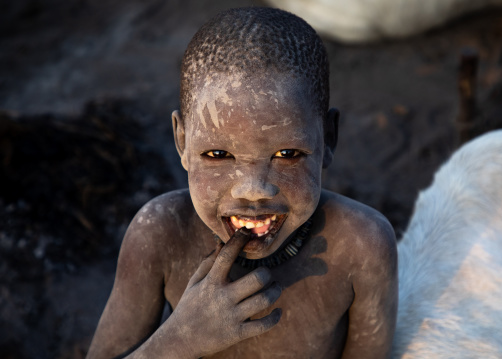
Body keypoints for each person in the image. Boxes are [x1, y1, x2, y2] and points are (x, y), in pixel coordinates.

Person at [86, 7, 398, 359]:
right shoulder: (160, 235)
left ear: (327, 138)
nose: (253, 190)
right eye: (218, 155)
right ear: (182, 141)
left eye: (287, 154)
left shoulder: (362, 245)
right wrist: (179, 340)